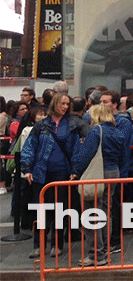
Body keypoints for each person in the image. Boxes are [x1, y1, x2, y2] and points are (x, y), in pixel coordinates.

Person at [72, 104, 133, 266]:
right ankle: (105, 250)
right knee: (106, 213)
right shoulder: (118, 132)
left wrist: (76, 171)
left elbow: (85, 155)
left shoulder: (96, 131)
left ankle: (95, 254)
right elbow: (123, 156)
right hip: (113, 172)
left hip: (97, 173)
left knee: (92, 214)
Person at [20, 94, 80, 259]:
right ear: (55, 104)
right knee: (40, 210)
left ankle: (57, 244)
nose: (65, 107)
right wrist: (27, 169)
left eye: (67, 104)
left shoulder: (71, 125)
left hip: (62, 171)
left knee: (59, 210)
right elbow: (29, 147)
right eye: (62, 103)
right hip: (41, 171)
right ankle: (38, 244)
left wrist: (75, 169)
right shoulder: (41, 125)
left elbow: (76, 149)